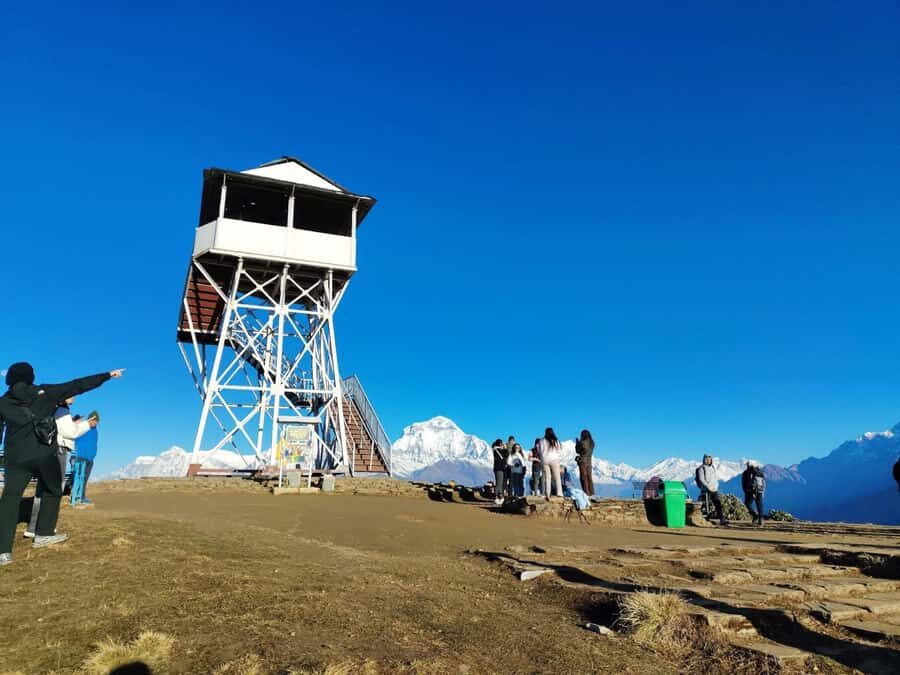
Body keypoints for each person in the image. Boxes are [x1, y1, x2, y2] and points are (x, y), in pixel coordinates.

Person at [0, 363, 123, 566]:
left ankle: (3, 552)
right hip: (44, 454)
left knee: (10, 498)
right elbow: (78, 385)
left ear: (9, 379)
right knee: (53, 489)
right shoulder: (46, 392)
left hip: (16, 458)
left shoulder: (3, 403)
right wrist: (107, 375)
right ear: (31, 377)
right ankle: (44, 534)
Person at [25, 397, 95, 537]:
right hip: (59, 451)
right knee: (55, 489)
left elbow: (61, 428)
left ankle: (33, 527)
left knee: (42, 489)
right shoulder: (62, 410)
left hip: (47, 450)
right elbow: (70, 433)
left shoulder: (52, 407)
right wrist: (87, 424)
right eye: (72, 395)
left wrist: (73, 422)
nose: (74, 397)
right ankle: (46, 528)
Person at [71, 411, 100, 505]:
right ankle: (75, 497)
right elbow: (75, 438)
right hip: (80, 456)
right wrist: (74, 455)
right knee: (78, 478)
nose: (94, 422)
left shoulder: (95, 431)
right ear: (89, 419)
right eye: (93, 420)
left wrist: (93, 454)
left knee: (85, 479)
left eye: (96, 421)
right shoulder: (83, 427)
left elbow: (94, 444)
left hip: (90, 459)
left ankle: (82, 497)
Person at [695, 454, 727, 525]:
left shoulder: (713, 467)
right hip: (706, 490)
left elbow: (715, 478)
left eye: (709, 459)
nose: (708, 460)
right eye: (707, 459)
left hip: (714, 489)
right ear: (704, 460)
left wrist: (716, 486)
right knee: (706, 505)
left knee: (718, 504)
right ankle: (705, 519)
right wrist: (708, 487)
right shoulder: (701, 468)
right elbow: (701, 479)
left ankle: (722, 519)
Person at [741, 460, 766, 526]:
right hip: (760, 490)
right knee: (759, 505)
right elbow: (764, 482)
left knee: (747, 504)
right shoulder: (760, 472)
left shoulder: (747, 472)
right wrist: (763, 491)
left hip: (750, 491)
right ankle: (761, 519)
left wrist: (746, 491)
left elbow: (744, 483)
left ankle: (755, 516)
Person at [541, 427, 563, 499]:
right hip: (554, 459)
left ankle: (547, 493)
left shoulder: (542, 440)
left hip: (545, 460)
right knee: (557, 477)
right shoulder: (556, 441)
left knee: (548, 478)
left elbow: (541, 451)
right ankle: (559, 493)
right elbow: (559, 451)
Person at [575, 429, 595, 497]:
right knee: (589, 477)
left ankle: (586, 492)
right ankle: (592, 492)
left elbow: (578, 451)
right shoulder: (592, 443)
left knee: (583, 477)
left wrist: (577, 443)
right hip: (589, 462)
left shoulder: (582, 442)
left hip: (583, 461)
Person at [491, 439, 508, 505]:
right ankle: (496, 497)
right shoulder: (497, 450)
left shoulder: (496, 450)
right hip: (499, 468)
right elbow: (505, 455)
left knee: (500, 483)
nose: (503, 445)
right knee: (499, 483)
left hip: (499, 468)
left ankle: (500, 497)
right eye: (502, 443)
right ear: (500, 444)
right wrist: (505, 448)